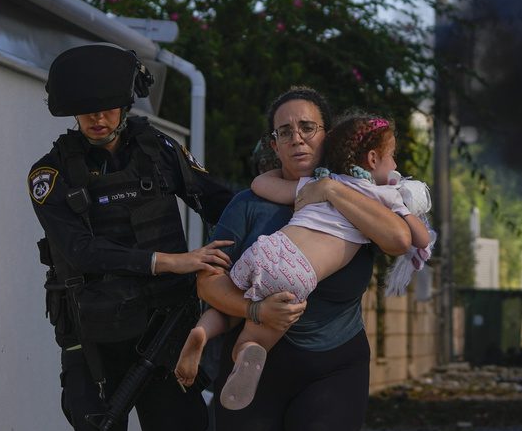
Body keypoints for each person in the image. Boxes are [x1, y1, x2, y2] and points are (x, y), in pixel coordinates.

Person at [27, 43, 239, 431]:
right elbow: (78, 250)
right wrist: (170, 261)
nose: (98, 118)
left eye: (108, 106)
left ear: (127, 103)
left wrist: (287, 217)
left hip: (166, 333)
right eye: (87, 109)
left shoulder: (160, 152)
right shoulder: (49, 175)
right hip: (93, 341)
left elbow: (218, 201)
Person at [196, 87, 414, 431]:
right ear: (272, 144)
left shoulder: (358, 195)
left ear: (328, 136)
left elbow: (400, 238)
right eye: (284, 131)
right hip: (257, 368)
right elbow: (209, 284)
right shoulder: (249, 204)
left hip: (333, 368)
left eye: (307, 128)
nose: (297, 139)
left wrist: (330, 188)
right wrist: (256, 312)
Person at [174, 113, 432, 410]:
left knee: (229, 301)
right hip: (298, 273)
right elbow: (419, 239)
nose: (396, 166)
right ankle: (248, 351)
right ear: (373, 159)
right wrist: (409, 211)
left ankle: (202, 332)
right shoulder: (384, 197)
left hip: (268, 248)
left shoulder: (320, 182)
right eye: (393, 158)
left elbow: (261, 184)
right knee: (258, 333)